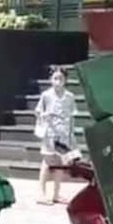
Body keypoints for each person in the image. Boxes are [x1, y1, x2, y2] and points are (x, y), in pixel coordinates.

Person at [35, 66, 77, 206]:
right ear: (50, 80)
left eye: (61, 78)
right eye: (55, 78)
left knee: (60, 163)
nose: (58, 81)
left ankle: (56, 193)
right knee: (47, 161)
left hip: (64, 134)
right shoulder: (46, 95)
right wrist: (45, 115)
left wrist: (71, 135)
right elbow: (38, 111)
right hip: (50, 133)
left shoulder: (69, 96)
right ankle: (41, 192)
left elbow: (72, 116)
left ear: (65, 80)